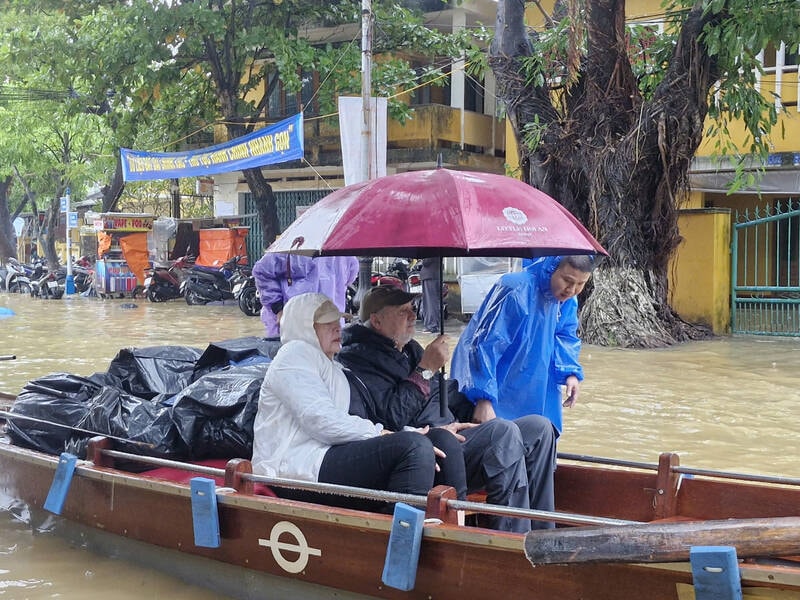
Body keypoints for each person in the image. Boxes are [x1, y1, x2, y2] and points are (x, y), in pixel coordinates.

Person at [337, 285, 557, 532]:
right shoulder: (357, 361)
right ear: (376, 321)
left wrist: (477, 404)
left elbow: (443, 394)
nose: (413, 316)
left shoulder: (409, 349)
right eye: (402, 312)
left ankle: (543, 532)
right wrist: (425, 370)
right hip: (428, 451)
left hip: (455, 433)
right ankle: (512, 539)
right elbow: (391, 417)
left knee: (540, 428)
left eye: (412, 309)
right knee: (503, 434)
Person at [251, 292, 439, 509]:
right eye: (326, 324)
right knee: (413, 448)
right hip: (293, 468)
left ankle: (452, 529)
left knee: (439, 440)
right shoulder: (293, 355)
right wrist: (381, 434)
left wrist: (407, 432)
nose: (338, 328)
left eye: (337, 322)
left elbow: (358, 418)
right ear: (305, 327)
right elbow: (320, 419)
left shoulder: (335, 368)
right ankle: (400, 539)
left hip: (327, 454)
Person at [450, 255, 597, 433]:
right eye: (567, 280)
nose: (572, 290)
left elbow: (565, 335)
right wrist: (484, 398)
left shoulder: (566, 301)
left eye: (580, 284)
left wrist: (570, 372)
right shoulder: (516, 289)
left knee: (537, 434)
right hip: (501, 380)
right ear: (552, 268)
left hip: (537, 384)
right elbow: (486, 344)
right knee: (497, 439)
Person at [252, 253, 359, 337]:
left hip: (328, 322)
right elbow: (263, 272)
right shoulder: (294, 248)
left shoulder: (343, 254)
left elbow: (349, 276)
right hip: (295, 324)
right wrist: (278, 309)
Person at [419, 257, 441, 333]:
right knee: (434, 301)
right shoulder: (439, 247)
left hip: (429, 276)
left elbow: (426, 261)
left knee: (429, 302)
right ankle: (434, 324)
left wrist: (422, 259)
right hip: (436, 275)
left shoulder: (431, 247)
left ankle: (431, 325)